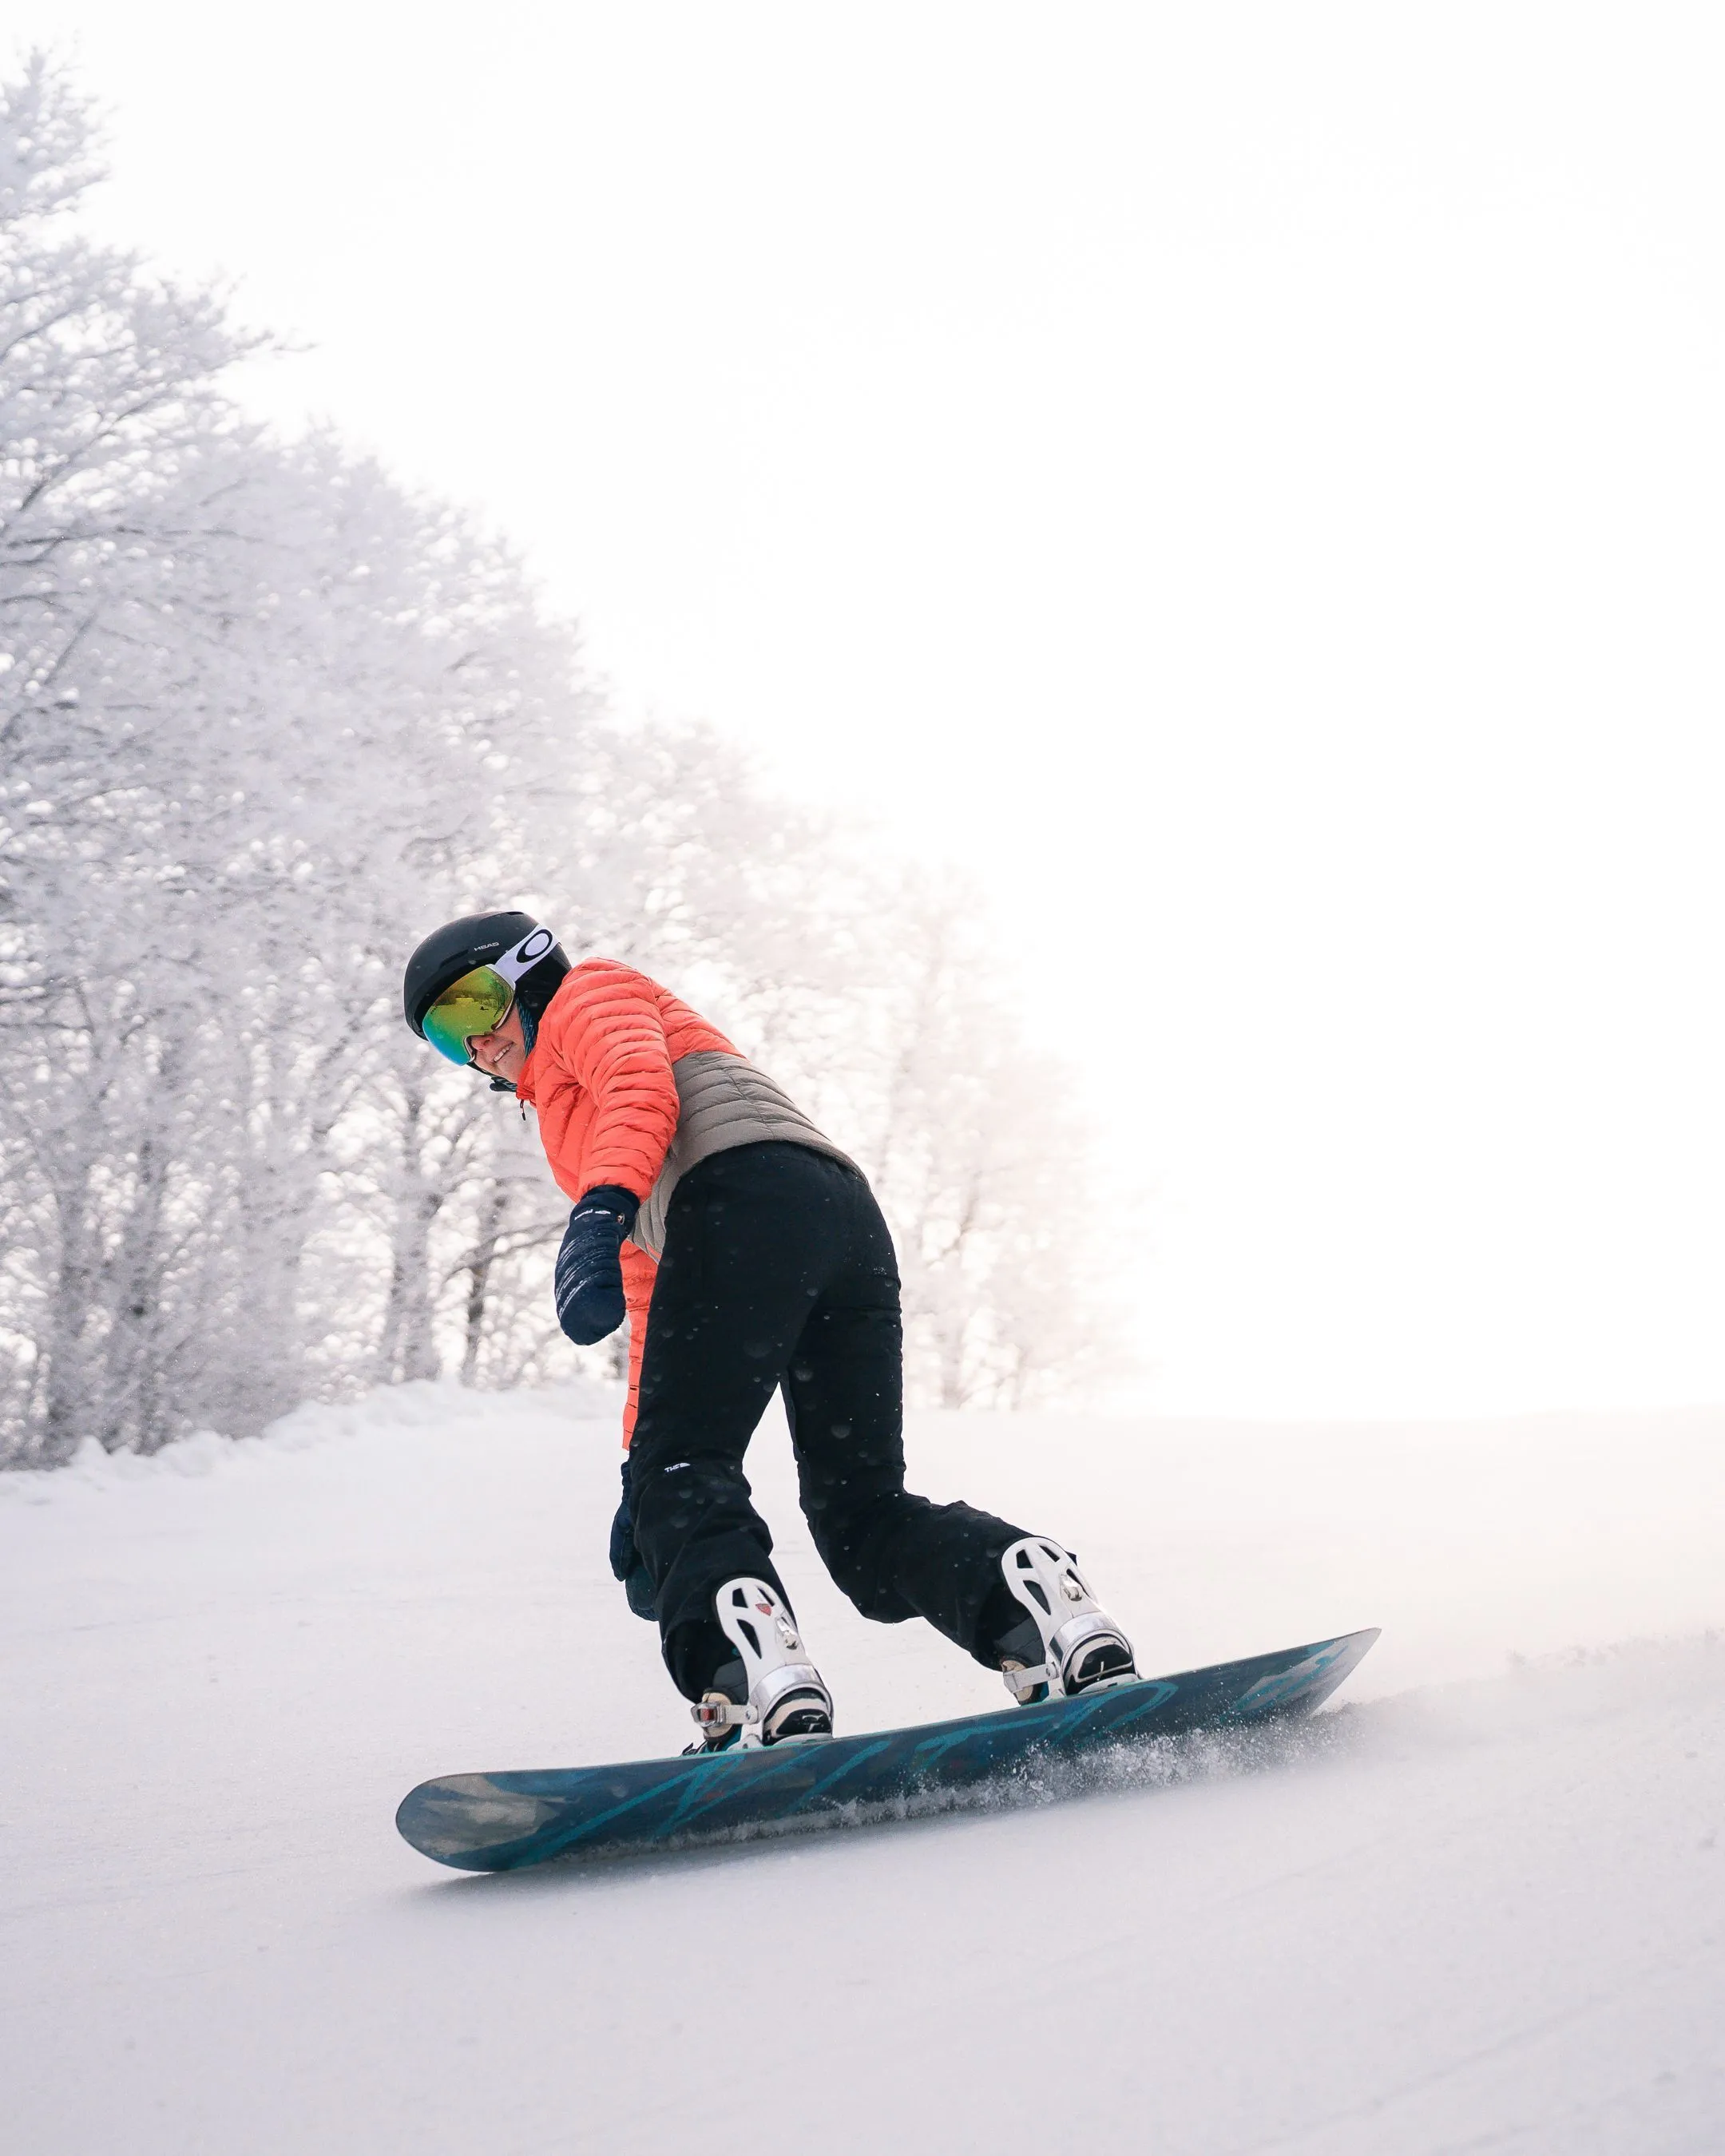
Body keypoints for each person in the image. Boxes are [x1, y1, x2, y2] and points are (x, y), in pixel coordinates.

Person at [402, 910, 1137, 1750]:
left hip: (740, 1203)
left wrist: (602, 1207)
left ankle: (743, 1686)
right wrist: (633, 1465)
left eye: (476, 1006)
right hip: (840, 1227)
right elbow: (650, 1297)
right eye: (446, 1036)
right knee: (861, 1518)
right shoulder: (576, 1122)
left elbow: (643, 1084)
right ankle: (1031, 1605)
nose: (477, 1044)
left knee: (685, 1474)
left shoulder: (585, 996)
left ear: (530, 970)